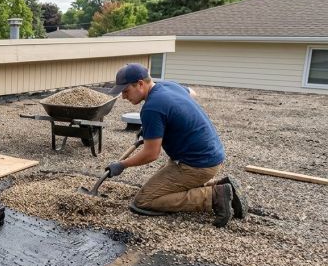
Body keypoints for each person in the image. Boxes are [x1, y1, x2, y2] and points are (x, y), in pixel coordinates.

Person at [104, 63, 248, 227]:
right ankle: (223, 187)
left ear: (140, 84)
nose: (123, 96)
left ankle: (214, 196)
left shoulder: (152, 108)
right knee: (163, 186)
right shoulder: (168, 86)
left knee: (144, 200)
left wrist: (122, 164)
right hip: (212, 156)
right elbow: (192, 93)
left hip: (196, 165)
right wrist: (157, 128)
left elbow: (151, 154)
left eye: (125, 91)